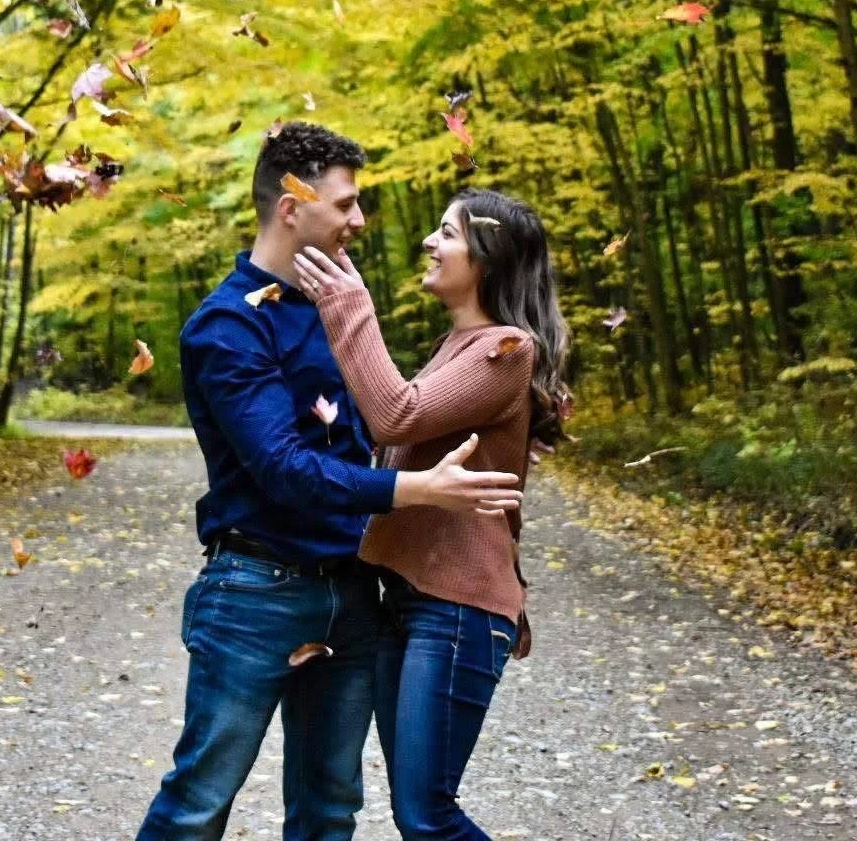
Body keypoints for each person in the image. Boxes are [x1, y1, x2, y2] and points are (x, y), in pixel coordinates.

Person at [137, 125, 526, 840]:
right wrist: (416, 491)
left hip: (352, 592)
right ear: (292, 207)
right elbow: (286, 469)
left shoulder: (335, 308)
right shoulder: (226, 327)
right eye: (345, 204)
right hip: (255, 593)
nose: (360, 220)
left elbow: (388, 421)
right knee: (198, 801)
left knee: (329, 806)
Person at [293, 187, 571, 840]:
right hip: (414, 600)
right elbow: (388, 433)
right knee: (418, 813)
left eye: (447, 232)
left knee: (427, 816)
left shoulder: (507, 349)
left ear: (488, 257)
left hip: (458, 610)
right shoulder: (462, 343)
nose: (429, 241)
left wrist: (350, 305)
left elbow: (398, 414)